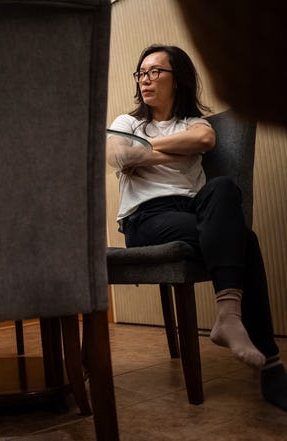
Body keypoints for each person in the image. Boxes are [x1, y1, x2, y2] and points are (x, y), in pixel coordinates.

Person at [107, 44, 287, 411]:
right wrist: (168, 150)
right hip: (145, 219)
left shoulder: (194, 124)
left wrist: (146, 152)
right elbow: (120, 155)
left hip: (193, 210)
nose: (146, 79)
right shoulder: (127, 123)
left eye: (156, 71)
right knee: (245, 240)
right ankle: (269, 362)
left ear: (179, 79)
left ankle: (229, 318)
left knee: (222, 188)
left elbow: (205, 140)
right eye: (141, 73)